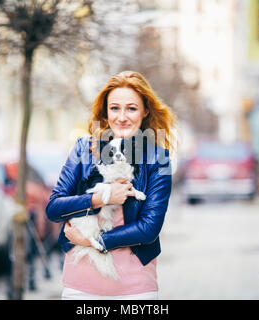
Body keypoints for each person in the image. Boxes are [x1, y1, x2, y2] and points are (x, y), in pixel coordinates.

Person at [45, 70, 177, 300]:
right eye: (115, 108)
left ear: (145, 111)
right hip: (81, 285)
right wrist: (100, 199)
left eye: (131, 108)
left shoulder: (160, 158)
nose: (122, 117)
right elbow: (54, 208)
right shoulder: (83, 149)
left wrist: (93, 242)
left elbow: (149, 229)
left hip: (135, 288)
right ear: (106, 111)